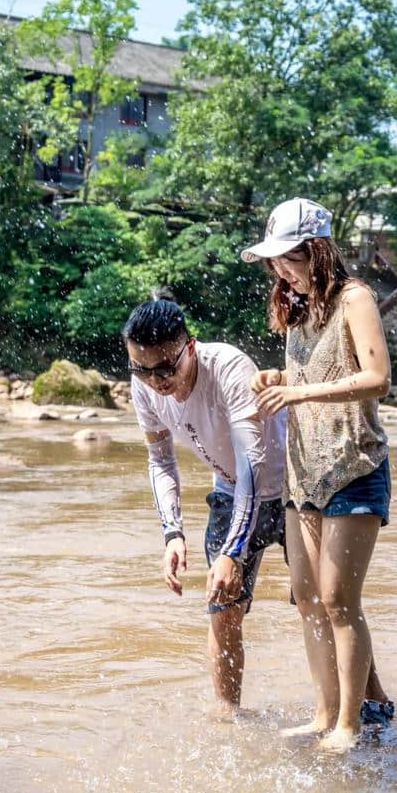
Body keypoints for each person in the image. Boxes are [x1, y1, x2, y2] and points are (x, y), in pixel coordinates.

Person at [242, 198, 394, 751]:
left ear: (318, 250)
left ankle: (350, 726)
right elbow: (316, 372)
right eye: (274, 263)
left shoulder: (356, 299)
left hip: (355, 467)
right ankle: (324, 713)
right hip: (305, 472)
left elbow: (376, 378)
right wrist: (278, 376)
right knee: (305, 598)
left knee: (339, 602)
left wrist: (298, 390)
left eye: (289, 259)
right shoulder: (299, 308)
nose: (280, 271)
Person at [123, 294, 286, 717]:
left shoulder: (229, 368)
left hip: (290, 491)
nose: (156, 381)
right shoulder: (143, 389)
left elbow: (253, 465)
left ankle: (368, 700)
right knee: (222, 608)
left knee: (323, 601)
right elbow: (159, 460)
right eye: (141, 369)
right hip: (230, 492)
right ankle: (227, 718)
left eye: (165, 368)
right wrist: (172, 533)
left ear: (189, 347)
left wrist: (233, 551)